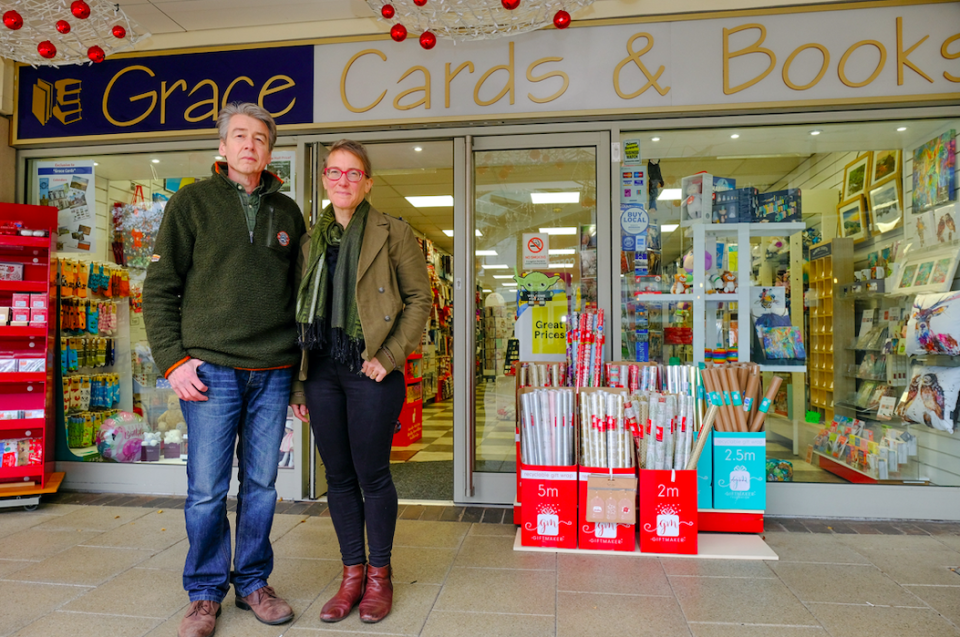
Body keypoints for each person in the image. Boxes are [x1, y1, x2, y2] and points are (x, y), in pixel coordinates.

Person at [143, 102, 306, 637]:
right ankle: (205, 592)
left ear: (269, 149)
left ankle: (254, 582)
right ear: (222, 146)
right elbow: (161, 289)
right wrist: (172, 361)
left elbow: (301, 301)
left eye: (259, 138)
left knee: (260, 486)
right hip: (209, 370)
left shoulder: (288, 211)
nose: (249, 145)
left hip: (274, 368)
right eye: (239, 136)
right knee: (207, 489)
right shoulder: (191, 202)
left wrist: (300, 376)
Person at [290, 139, 431, 624]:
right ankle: (351, 574)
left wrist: (389, 356)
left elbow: (419, 300)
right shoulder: (311, 240)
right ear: (325, 180)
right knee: (339, 477)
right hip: (323, 369)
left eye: (354, 173)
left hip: (371, 369)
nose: (344, 181)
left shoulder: (394, 232)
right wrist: (299, 385)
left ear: (368, 182)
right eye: (335, 172)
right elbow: (297, 316)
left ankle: (379, 576)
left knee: (372, 476)